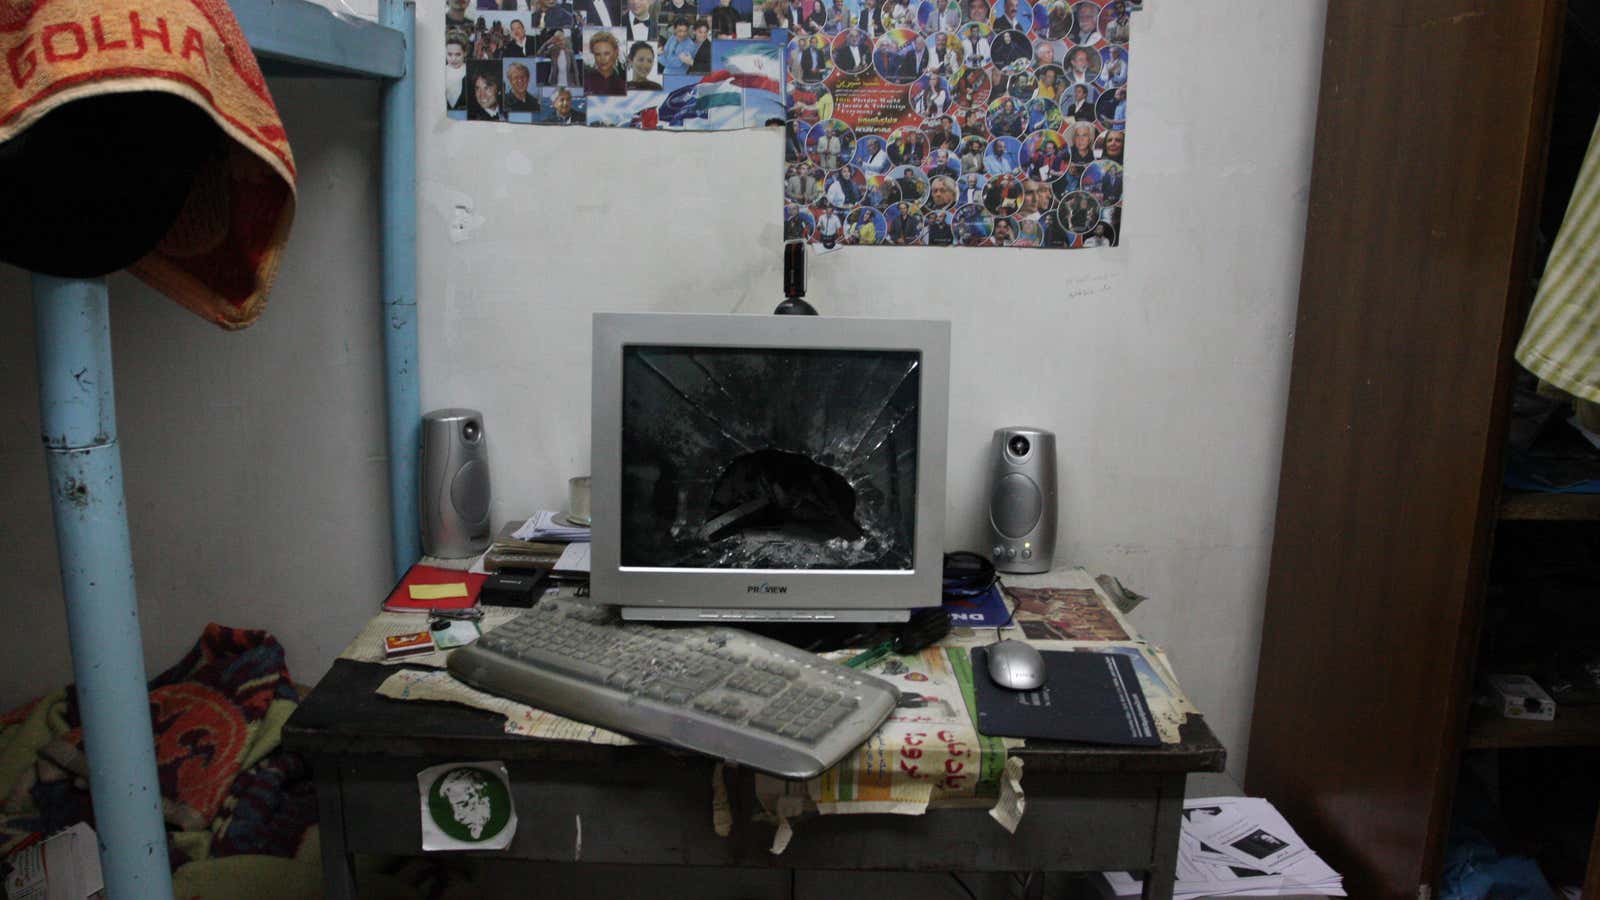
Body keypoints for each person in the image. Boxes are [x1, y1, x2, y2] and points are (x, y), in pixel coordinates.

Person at [584, 30, 627, 94]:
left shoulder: (623, 86)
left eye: (606, 53)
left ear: (616, 53)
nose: (602, 59)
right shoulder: (586, 83)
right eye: (598, 54)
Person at [446, 35, 469, 110]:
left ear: (465, 53)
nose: (453, 59)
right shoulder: (440, 72)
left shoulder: (470, 71)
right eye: (449, 54)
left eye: (458, 54)